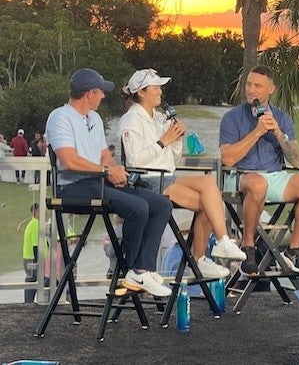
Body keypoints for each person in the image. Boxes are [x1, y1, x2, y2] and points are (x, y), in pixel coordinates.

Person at [45, 67, 172, 297]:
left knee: (161, 204)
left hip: (99, 181)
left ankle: (144, 268)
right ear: (90, 93)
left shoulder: (94, 117)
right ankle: (135, 269)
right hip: (73, 186)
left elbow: (104, 154)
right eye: (101, 92)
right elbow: (69, 160)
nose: (104, 96)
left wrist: (114, 169)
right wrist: (105, 171)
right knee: (138, 207)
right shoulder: (60, 117)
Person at [119, 68, 246, 279]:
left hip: (166, 175)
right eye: (156, 88)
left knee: (208, 185)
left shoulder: (159, 118)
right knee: (209, 202)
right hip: (147, 181)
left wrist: (176, 140)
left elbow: (172, 159)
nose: (160, 92)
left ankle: (219, 244)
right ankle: (203, 256)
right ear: (141, 92)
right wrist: (164, 140)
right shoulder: (131, 120)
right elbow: (135, 161)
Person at [219, 64, 299, 276]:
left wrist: (278, 134)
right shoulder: (232, 117)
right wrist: (257, 132)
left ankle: (294, 249)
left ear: (270, 90)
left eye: (257, 86)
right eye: (249, 84)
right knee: (258, 183)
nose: (251, 90)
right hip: (241, 175)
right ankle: (248, 246)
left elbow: (296, 159)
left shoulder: (281, 118)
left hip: (275, 176)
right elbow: (227, 159)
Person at [22, 202, 41, 303]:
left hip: (28, 257)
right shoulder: (36, 224)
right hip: (32, 258)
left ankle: (28, 303)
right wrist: (39, 262)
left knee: (31, 280)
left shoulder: (33, 223)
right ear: (35, 212)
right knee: (33, 280)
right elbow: (36, 246)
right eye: (40, 211)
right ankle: (28, 303)